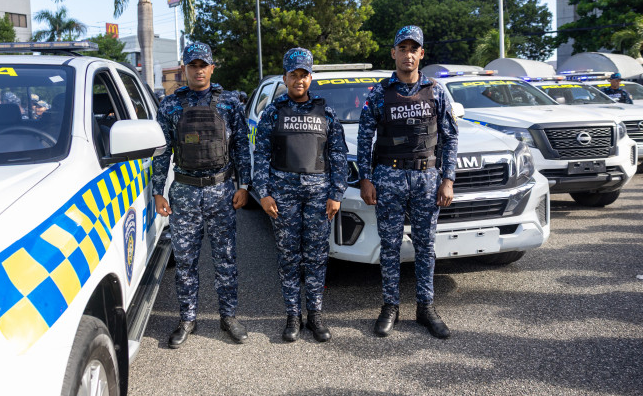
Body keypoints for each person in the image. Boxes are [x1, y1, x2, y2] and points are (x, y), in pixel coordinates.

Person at [357, 25, 458, 340]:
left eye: (414, 49)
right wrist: (365, 178)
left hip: (427, 179)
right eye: (403, 49)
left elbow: (450, 138)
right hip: (388, 177)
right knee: (389, 246)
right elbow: (364, 138)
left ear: (421, 54)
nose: (408, 55)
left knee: (426, 246)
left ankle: (426, 307)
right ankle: (390, 306)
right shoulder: (379, 93)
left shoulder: (437, 91)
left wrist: (448, 179)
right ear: (394, 53)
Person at [153, 41, 252, 349]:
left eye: (203, 65)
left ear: (212, 68)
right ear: (185, 69)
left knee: (226, 259)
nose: (198, 70)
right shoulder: (170, 105)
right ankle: (187, 319)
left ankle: (228, 317)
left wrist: (244, 186)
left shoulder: (230, 103)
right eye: (193, 65)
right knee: (185, 262)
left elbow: (241, 147)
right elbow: (161, 152)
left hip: (221, 191)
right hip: (184, 192)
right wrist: (158, 192)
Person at [253, 48, 348, 343]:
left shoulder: (326, 112)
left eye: (304, 74)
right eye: (293, 74)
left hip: (319, 196)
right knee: (288, 257)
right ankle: (293, 315)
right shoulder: (273, 112)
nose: (299, 80)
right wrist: (264, 194)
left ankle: (315, 315)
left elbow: (338, 155)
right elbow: (261, 155)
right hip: (283, 197)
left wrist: (336, 193)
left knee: (317, 257)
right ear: (285, 78)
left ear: (310, 77)